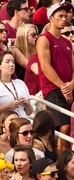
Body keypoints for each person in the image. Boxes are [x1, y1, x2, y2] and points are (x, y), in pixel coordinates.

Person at [38, 2, 74, 152]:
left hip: (68, 88)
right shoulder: (44, 39)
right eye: (60, 16)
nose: (64, 19)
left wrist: (72, 84)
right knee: (63, 128)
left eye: (65, 16)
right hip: (53, 89)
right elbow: (45, 67)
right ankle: (63, 162)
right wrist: (64, 87)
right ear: (51, 18)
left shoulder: (68, 43)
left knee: (67, 128)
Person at [0, 50, 33, 124]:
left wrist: (27, 103)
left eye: (13, 62)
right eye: (7, 62)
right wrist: (7, 106)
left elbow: (29, 112)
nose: (11, 64)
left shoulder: (20, 83)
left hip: (23, 124)